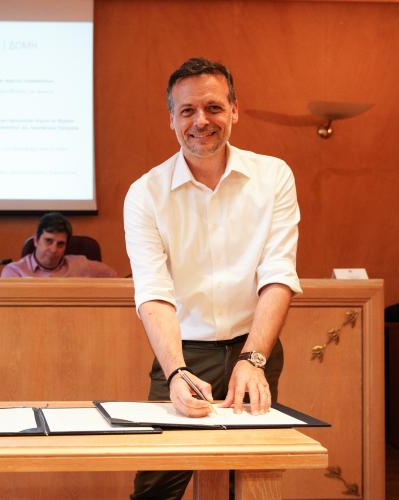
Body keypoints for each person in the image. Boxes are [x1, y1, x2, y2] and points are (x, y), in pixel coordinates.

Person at [123, 57, 302, 499]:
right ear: (172, 119)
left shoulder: (274, 177)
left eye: (214, 107)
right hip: (183, 352)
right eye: (187, 110)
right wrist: (176, 371)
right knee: (156, 486)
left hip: (253, 347)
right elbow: (154, 293)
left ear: (234, 110)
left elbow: (278, 275)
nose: (201, 121)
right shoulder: (145, 193)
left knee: (251, 481)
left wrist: (253, 359)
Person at [1, 212, 117, 278]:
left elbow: (113, 277)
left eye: (60, 244)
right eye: (48, 241)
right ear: (36, 241)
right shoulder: (15, 272)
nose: (53, 249)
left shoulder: (81, 265)